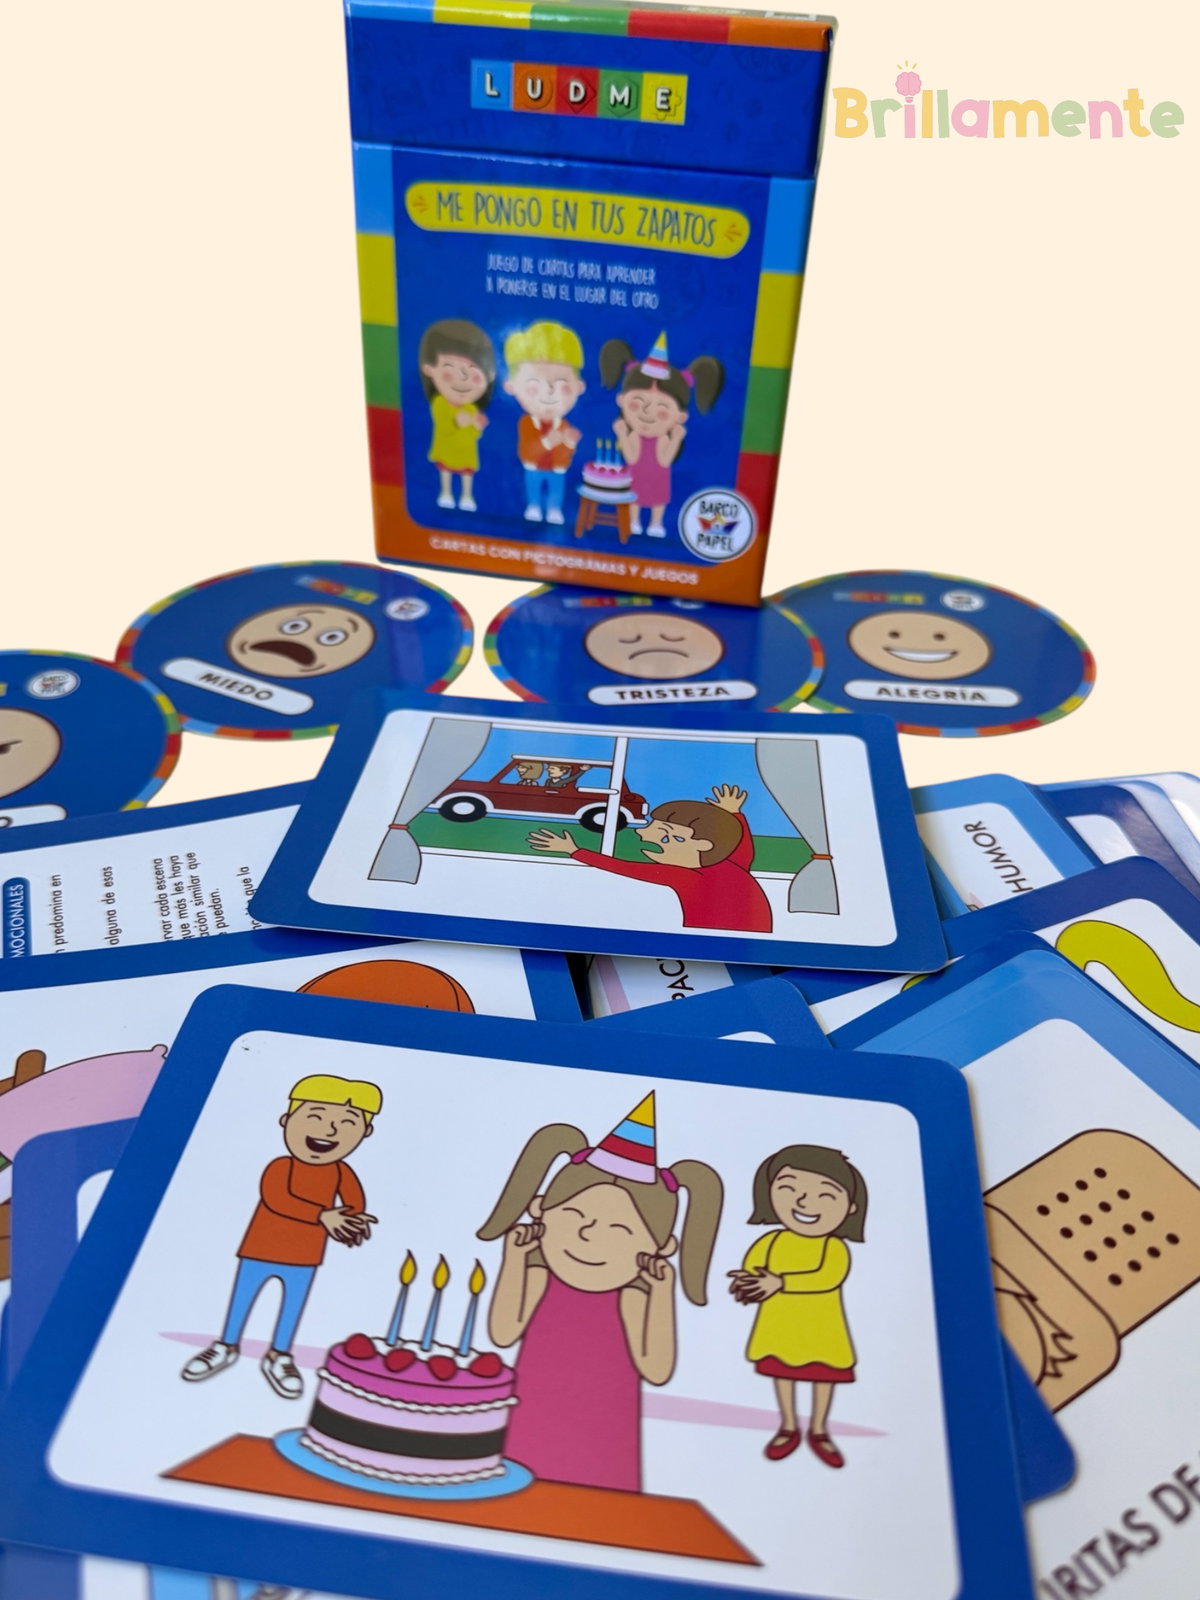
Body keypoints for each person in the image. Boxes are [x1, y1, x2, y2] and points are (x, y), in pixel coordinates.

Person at [477, 1092, 722, 1492]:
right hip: (529, 1429)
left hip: (603, 1442)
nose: (589, 1235)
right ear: (540, 1209)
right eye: (574, 1215)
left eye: (621, 1230)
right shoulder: (539, 1274)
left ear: (662, 1247)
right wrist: (514, 1260)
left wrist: (662, 1294)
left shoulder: (632, 1296)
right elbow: (503, 1333)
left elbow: (657, 1369)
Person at [180, 1074, 381, 1400]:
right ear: (287, 1120)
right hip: (260, 1247)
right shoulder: (280, 1166)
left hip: (306, 1255)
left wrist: (353, 1222)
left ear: (365, 1132)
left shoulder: (340, 1171)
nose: (330, 1131)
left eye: (347, 1123)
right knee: (242, 1299)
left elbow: (354, 1201)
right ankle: (226, 1345)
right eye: (315, 1117)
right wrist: (324, 1216)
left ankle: (280, 1355)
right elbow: (278, 1199)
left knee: (291, 1308)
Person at [728, 1144, 868, 1468]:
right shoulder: (771, 1240)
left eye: (826, 1195)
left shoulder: (834, 1246)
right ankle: (788, 1425)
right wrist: (746, 1282)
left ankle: (819, 1429)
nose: (804, 1202)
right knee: (782, 1375)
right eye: (789, 1189)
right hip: (778, 1327)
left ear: (850, 1208)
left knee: (824, 1377)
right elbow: (753, 1266)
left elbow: (827, 1277)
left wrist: (780, 1283)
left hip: (823, 1329)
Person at [528, 783, 772, 933]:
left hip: (716, 940)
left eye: (665, 834)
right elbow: (743, 845)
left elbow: (625, 867)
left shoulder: (687, 876)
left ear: (702, 844)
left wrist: (574, 851)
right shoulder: (733, 862)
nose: (641, 833)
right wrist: (734, 813)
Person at [599, 332, 723, 537]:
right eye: (636, 404)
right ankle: (634, 520)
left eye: (662, 411)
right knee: (634, 497)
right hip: (635, 474)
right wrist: (622, 434)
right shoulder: (633, 435)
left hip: (658, 476)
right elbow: (631, 458)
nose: (647, 414)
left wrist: (675, 438)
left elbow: (664, 460)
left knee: (658, 499)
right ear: (621, 401)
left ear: (681, 416)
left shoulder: (665, 437)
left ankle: (656, 523)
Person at [503, 321, 587, 525]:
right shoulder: (526, 423)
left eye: (562, 387)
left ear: (578, 388)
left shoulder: (563, 425)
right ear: (511, 386)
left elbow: (566, 454)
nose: (549, 395)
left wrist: (569, 444)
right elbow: (526, 450)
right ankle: (533, 506)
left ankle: (554, 510)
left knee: (556, 489)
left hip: (556, 469)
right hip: (533, 467)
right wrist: (549, 442)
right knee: (533, 488)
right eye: (534, 387)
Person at [419, 319, 496, 511]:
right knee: (445, 471)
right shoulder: (439, 403)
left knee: (466, 473)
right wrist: (462, 423)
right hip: (446, 449)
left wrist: (476, 427)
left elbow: (473, 435)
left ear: (489, 376)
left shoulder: (471, 408)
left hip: (466, 453)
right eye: (449, 372)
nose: (462, 381)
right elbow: (445, 426)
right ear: (429, 369)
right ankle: (445, 492)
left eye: (474, 374)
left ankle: (467, 495)